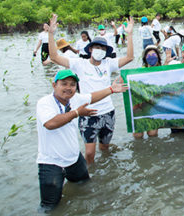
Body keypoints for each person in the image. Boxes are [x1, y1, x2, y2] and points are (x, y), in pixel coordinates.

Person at [35, 68, 127, 212]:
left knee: (84, 186)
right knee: (49, 207)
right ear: (54, 85)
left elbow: (92, 97)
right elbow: (50, 124)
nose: (68, 88)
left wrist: (111, 89)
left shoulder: (75, 99)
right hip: (51, 162)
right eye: (64, 84)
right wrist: (77, 112)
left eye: (72, 85)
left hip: (74, 159)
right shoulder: (44, 103)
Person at [47, 14, 134, 161]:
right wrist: (50, 34)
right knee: (89, 153)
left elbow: (129, 58)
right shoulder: (80, 63)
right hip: (88, 113)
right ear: (91, 49)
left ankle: (106, 169)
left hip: (108, 112)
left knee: (105, 147)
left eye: (102, 48)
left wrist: (129, 34)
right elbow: (55, 58)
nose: (99, 50)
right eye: (97, 47)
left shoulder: (108, 64)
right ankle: (90, 176)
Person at [133, 44, 164, 139]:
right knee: (138, 135)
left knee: (152, 134)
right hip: (139, 106)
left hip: (153, 106)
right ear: (145, 58)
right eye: (149, 56)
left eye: (154, 55)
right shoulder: (138, 72)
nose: (151, 58)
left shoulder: (163, 71)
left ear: (158, 57)